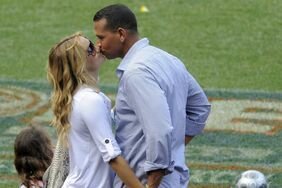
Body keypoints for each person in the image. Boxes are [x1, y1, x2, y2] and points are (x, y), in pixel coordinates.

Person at [93, 4, 211, 188]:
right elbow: (200, 108)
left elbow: (160, 131)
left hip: (146, 181)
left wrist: (153, 181)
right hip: (174, 179)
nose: (99, 45)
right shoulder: (169, 60)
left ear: (121, 34)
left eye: (101, 37)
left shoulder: (136, 73)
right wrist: (174, 148)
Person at [47, 32, 144, 188]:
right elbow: (112, 155)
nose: (98, 46)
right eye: (90, 48)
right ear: (79, 63)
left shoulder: (84, 97)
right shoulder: (89, 100)